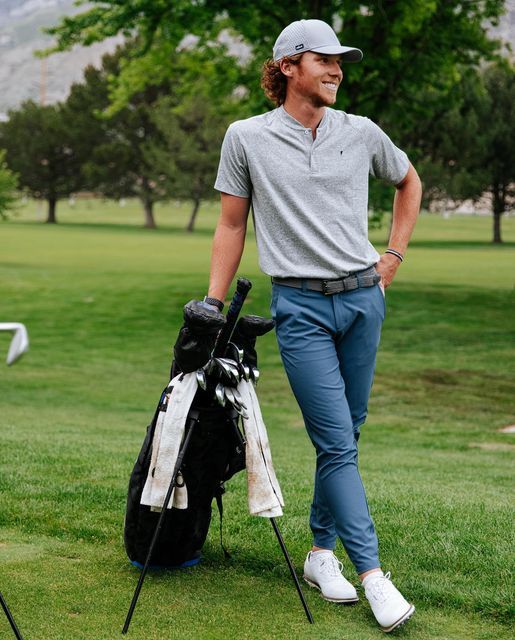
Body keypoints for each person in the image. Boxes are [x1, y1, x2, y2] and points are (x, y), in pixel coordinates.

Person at [205, 18, 422, 633]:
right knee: (335, 441)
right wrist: (212, 303)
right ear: (289, 66)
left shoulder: (360, 132)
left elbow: (408, 180)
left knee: (347, 435)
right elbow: (230, 225)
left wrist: (394, 254)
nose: (336, 71)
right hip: (299, 309)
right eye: (324, 60)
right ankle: (374, 573)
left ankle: (320, 553)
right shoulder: (246, 137)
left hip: (363, 301)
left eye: (340, 62)